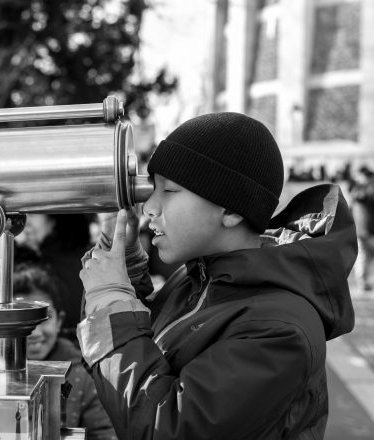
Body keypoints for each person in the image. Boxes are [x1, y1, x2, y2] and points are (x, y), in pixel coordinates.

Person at [77, 112, 356, 439]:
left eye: (170, 190)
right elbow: (138, 367)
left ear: (231, 210)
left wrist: (111, 301)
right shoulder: (200, 277)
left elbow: (170, 428)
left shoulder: (280, 329)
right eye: (152, 189)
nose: (149, 207)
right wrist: (126, 274)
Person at [13, 263, 117, 440]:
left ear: (59, 321)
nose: (35, 333)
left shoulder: (83, 376)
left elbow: (104, 433)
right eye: (20, 317)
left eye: (45, 318)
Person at [349, 165, 374, 291]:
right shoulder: (372, 189)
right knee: (365, 257)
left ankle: (364, 282)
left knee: (363, 257)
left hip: (361, 229)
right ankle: (366, 281)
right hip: (370, 230)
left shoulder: (355, 191)